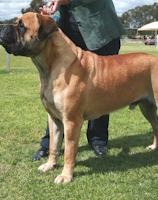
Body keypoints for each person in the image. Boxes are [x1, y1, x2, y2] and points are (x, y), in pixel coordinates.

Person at [32, 0, 126, 161]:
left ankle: (98, 140)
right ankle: (49, 146)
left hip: (100, 31)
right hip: (67, 35)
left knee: (102, 87)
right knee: (58, 93)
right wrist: (50, 14)